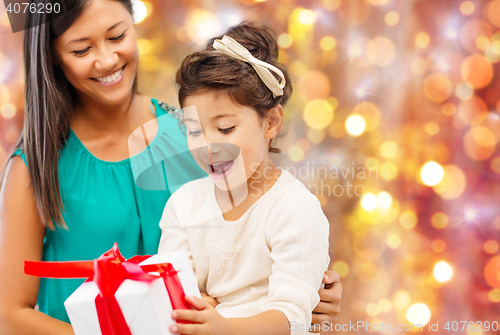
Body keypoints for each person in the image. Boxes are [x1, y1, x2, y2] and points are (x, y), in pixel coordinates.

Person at [0, 0, 341, 334]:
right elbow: (9, 316)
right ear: (53, 58)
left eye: (117, 36)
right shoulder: (34, 167)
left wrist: (312, 288)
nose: (106, 59)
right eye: (81, 50)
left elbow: (261, 253)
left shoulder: (194, 134)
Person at [158, 22, 331, 335]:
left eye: (225, 129)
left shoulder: (294, 209)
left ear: (271, 122)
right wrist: (192, 304)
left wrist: (223, 327)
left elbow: (292, 317)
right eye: (194, 131)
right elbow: (170, 298)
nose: (207, 148)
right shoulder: (183, 206)